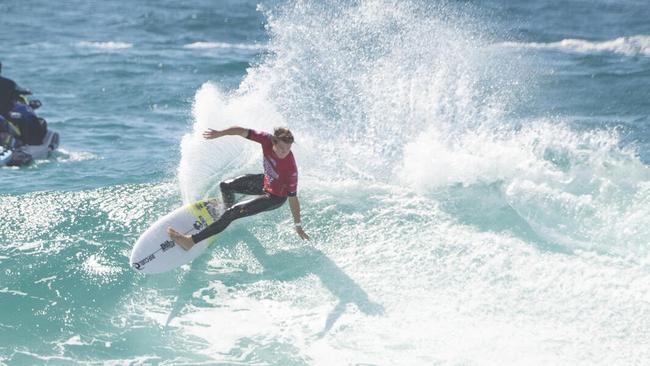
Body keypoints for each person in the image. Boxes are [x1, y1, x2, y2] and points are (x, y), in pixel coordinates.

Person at [168, 126, 310, 250]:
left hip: (275, 198)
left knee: (233, 213)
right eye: (281, 148)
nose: (284, 152)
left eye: (288, 149)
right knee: (225, 186)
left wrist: (297, 225)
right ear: (274, 141)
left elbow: (293, 199)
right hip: (266, 181)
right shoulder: (266, 139)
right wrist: (220, 133)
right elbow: (241, 131)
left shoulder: (290, 169)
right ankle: (225, 216)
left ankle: (191, 241)